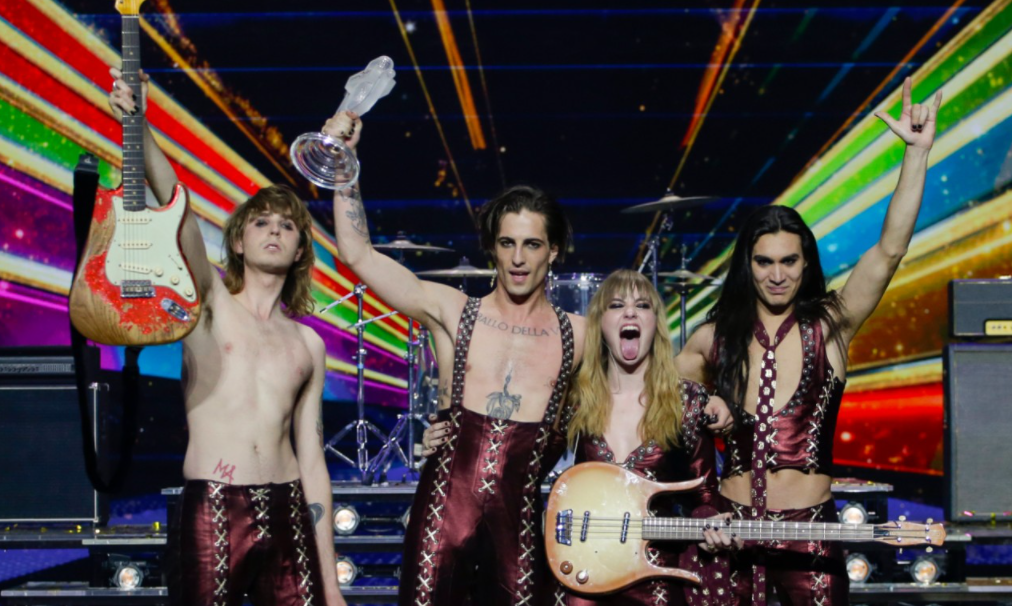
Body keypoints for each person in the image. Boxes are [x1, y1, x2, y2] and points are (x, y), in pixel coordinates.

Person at [323, 112, 732, 606]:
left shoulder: (579, 336)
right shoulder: (452, 311)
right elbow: (357, 254)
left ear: (553, 251)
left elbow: (651, 366)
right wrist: (346, 168)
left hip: (517, 530)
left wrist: (711, 398)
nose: (518, 258)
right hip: (441, 521)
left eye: (532, 245)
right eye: (508, 244)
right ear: (493, 250)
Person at [674, 77, 943, 606]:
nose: (777, 275)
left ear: (806, 263)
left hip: (812, 534)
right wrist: (698, 410)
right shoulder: (711, 339)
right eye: (765, 262)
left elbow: (888, 251)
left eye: (789, 261)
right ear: (747, 267)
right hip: (729, 532)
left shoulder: (832, 324)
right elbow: (655, 406)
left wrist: (917, 154)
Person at [109, 68, 346, 606]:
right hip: (215, 507)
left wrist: (331, 587)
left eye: (287, 226)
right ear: (238, 241)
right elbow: (179, 212)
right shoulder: (210, 305)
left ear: (300, 250)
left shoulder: (308, 344)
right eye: (261, 222)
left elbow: (312, 461)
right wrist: (140, 126)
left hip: (288, 510)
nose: (275, 231)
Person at [422, 269, 736, 606]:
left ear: (656, 324)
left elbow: (705, 493)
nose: (630, 312)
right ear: (600, 324)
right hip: (581, 577)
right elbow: (517, 459)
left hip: (655, 576)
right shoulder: (573, 399)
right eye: (617, 305)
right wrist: (453, 442)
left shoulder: (687, 400)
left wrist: (709, 524)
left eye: (642, 305)